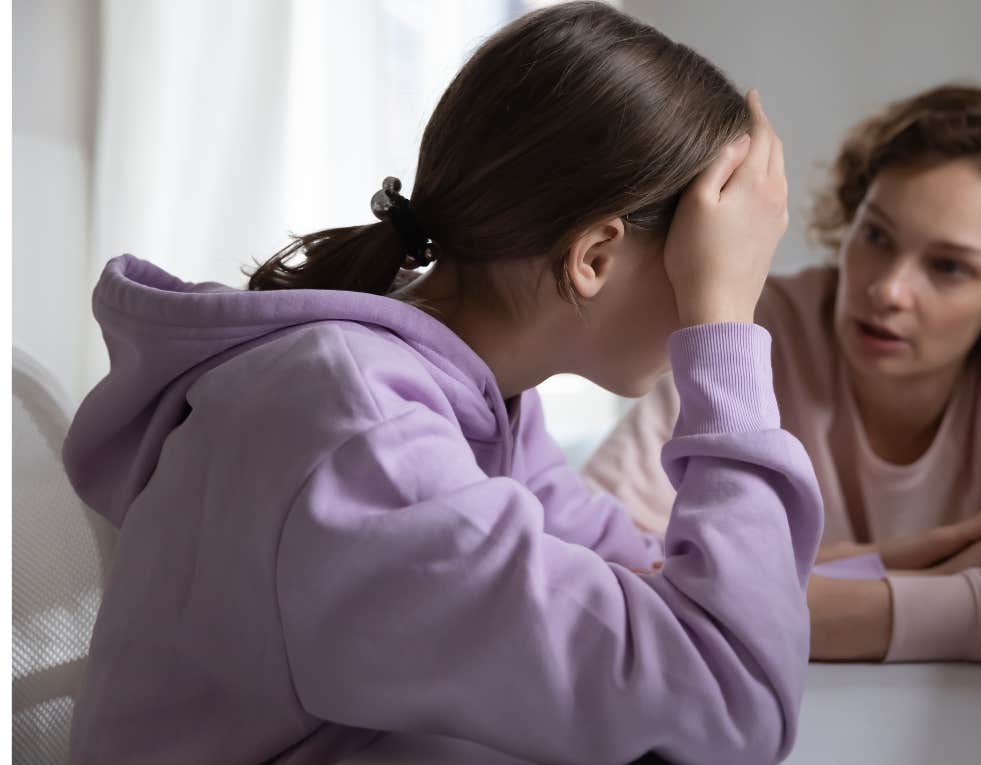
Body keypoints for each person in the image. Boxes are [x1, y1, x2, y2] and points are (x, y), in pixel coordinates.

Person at [62, 3, 822, 763]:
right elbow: (731, 699)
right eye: (708, 257)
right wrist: (723, 326)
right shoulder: (363, 432)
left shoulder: (472, 401)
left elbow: (646, 579)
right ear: (594, 255)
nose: (724, 287)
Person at [585, 84, 981, 664]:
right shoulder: (754, 323)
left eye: (949, 267)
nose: (887, 290)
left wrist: (839, 612)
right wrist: (924, 580)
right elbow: (592, 571)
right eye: (877, 236)